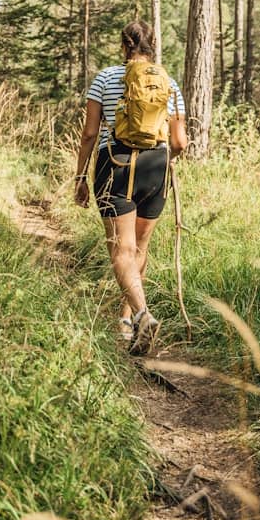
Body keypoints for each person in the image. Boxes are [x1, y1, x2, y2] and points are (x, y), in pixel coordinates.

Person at [74, 20, 187, 353]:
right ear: (152, 45)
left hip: (117, 165)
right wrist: (170, 159)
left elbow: (90, 134)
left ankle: (141, 315)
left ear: (124, 45)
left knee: (121, 251)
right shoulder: (170, 83)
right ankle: (127, 324)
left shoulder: (106, 78)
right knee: (139, 248)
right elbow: (179, 140)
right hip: (156, 168)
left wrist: (81, 176)